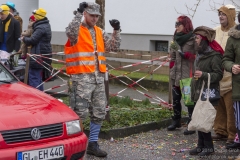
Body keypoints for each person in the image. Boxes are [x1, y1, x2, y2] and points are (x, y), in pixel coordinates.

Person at [65, 2, 121, 157]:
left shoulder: (99, 31)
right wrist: (77, 13)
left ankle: (93, 144)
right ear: (85, 14)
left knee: (99, 112)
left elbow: (113, 47)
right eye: (92, 15)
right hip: (80, 79)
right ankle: (77, 145)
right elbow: (69, 32)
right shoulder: (77, 29)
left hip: (98, 79)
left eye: (97, 16)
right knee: (79, 114)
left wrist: (116, 30)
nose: (95, 18)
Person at [189, 26, 223, 156]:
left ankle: (209, 147)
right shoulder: (200, 53)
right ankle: (200, 146)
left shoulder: (214, 55)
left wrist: (203, 74)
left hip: (209, 91)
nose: (195, 40)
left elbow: (218, 75)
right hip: (199, 89)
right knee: (198, 116)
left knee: (204, 119)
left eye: (197, 38)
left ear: (203, 40)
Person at [212, 4, 237, 144]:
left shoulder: (236, 32)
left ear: (231, 16)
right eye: (219, 14)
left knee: (230, 108)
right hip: (218, 76)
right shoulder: (215, 31)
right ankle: (220, 131)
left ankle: (232, 135)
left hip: (231, 77)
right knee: (219, 106)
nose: (221, 16)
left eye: (224, 14)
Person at [168, 15, 197, 135]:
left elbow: (197, 55)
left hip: (187, 74)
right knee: (176, 99)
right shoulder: (175, 37)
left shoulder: (193, 38)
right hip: (176, 73)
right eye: (175, 24)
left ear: (185, 25)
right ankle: (176, 121)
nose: (176, 27)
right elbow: (173, 55)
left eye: (178, 24)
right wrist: (171, 67)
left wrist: (188, 55)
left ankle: (191, 123)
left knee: (189, 100)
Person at [222, 13, 240, 155]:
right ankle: (238, 139)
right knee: (238, 117)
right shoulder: (233, 38)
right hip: (238, 85)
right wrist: (232, 66)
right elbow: (226, 59)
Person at [22, 8, 52, 91]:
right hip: (42, 54)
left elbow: (33, 40)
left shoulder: (40, 27)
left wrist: (24, 38)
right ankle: (41, 95)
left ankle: (35, 97)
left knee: (34, 77)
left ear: (38, 16)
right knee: (38, 78)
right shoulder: (45, 25)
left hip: (38, 55)